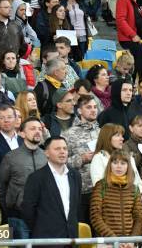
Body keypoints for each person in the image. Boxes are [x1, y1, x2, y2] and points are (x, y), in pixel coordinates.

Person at [21, 136, 82, 239]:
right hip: (46, 238)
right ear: (47, 153)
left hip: (71, 237)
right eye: (57, 149)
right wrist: (41, 229)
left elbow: (76, 206)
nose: (62, 152)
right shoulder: (36, 178)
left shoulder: (75, 176)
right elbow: (28, 209)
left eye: (65, 148)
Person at [0, 117, 47, 239]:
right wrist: (9, 210)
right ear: (22, 133)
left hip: (43, 216)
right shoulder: (11, 157)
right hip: (18, 217)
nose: (38, 131)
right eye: (33, 128)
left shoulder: (46, 156)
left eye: (40, 129)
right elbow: (0, 187)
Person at [61, 94, 100, 223]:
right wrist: (81, 159)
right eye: (89, 107)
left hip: (101, 191)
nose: (93, 110)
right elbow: (60, 163)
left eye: (95, 107)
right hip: (81, 191)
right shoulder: (68, 134)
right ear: (79, 110)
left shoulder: (102, 132)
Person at [90, 149, 142, 238]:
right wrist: (113, 239)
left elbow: (139, 218)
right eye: (115, 163)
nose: (119, 166)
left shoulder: (134, 189)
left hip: (129, 244)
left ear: (128, 166)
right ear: (110, 165)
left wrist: (132, 240)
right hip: (108, 242)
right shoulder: (101, 186)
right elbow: (95, 216)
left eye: (123, 163)